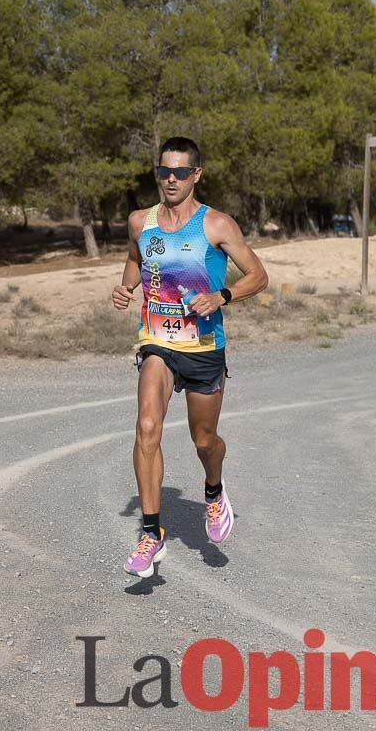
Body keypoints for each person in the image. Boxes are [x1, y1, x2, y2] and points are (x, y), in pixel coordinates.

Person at [111, 137, 269, 578]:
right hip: (157, 343)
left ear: (197, 174)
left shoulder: (216, 224)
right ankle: (150, 530)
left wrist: (221, 295)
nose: (172, 180)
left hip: (203, 349)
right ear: (157, 173)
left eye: (181, 172)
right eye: (165, 172)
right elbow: (133, 260)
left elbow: (258, 275)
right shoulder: (141, 222)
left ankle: (214, 491)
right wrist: (127, 288)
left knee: (205, 442)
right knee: (146, 426)